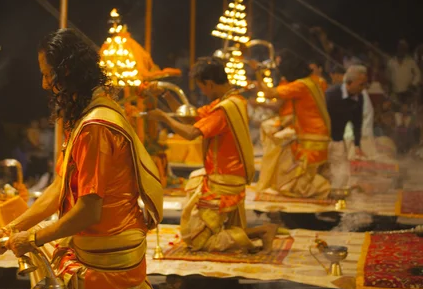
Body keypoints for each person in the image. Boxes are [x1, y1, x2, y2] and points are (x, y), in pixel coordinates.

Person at [0, 29, 211, 289]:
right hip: (95, 242)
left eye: (48, 74)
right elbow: (60, 188)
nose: (45, 84)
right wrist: (11, 229)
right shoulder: (87, 115)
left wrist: (33, 238)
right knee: (43, 273)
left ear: (67, 73)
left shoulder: (95, 127)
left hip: (108, 250)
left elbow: (90, 210)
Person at [148, 56, 278, 253]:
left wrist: (163, 118)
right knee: (195, 184)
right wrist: (165, 95)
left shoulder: (223, 110)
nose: (202, 92)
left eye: (202, 87)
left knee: (197, 240)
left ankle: (261, 231)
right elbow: (192, 118)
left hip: (223, 179)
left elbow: (191, 133)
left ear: (209, 83)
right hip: (226, 174)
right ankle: (249, 232)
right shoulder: (233, 100)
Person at [255, 53, 331, 199]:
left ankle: (325, 191)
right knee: (310, 170)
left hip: (311, 134)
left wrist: (258, 74)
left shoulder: (300, 85)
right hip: (321, 132)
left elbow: (269, 93)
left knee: (304, 173)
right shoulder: (318, 81)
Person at [325, 65, 369, 191]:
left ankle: (334, 200)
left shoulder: (359, 98)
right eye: (361, 84)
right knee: (323, 172)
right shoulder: (331, 94)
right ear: (350, 83)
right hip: (323, 139)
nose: (364, 88)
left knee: (343, 174)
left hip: (338, 140)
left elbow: (357, 121)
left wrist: (357, 145)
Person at [387, 40, 420, 104]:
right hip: (395, 93)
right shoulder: (391, 62)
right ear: (397, 48)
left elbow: (418, 74)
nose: (401, 49)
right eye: (400, 47)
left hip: (408, 93)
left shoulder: (411, 62)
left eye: (403, 48)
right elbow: (388, 77)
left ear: (406, 49)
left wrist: (413, 84)